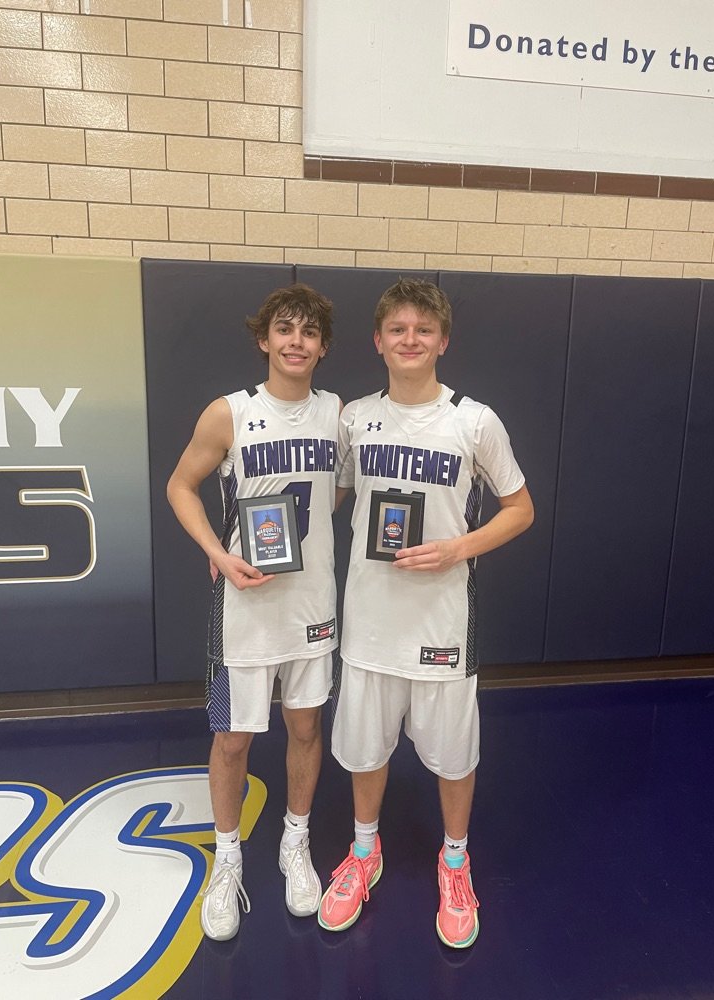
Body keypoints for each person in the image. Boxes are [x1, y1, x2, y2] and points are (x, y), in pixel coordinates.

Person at [318, 278, 534, 949]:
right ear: (378, 341)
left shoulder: (474, 419)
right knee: (363, 748)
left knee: (452, 755)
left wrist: (456, 549)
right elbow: (332, 501)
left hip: (441, 623)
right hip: (370, 619)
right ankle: (363, 852)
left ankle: (455, 860)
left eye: (423, 329)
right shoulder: (353, 417)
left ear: (443, 340)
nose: (409, 340)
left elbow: (520, 510)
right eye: (397, 329)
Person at [167, 284, 340, 941]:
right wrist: (216, 547)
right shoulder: (229, 413)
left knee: (303, 728)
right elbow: (180, 485)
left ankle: (295, 843)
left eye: (309, 332)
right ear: (264, 339)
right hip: (240, 611)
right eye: (284, 329)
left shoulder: (336, 415)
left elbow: (338, 494)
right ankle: (227, 854)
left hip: (312, 608)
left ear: (323, 347)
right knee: (231, 737)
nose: (296, 341)